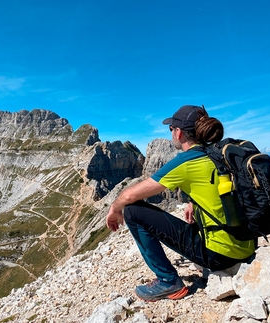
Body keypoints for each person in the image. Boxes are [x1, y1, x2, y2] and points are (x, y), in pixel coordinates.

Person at [105, 105, 256, 302]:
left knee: (132, 211)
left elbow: (129, 196)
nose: (171, 134)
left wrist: (115, 208)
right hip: (247, 245)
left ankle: (168, 281)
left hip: (220, 255)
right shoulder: (217, 154)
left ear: (179, 132)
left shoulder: (186, 161)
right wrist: (194, 202)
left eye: (171, 129)